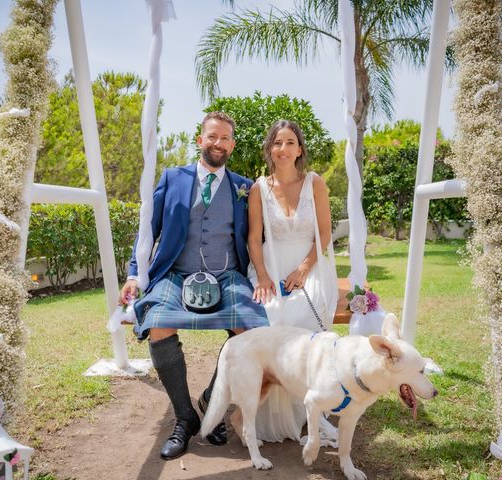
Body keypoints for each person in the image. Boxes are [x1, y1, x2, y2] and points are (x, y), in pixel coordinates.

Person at [119, 112, 268, 460]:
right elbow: (147, 231)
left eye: (225, 138)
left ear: (232, 144)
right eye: (212, 136)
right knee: (157, 325)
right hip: (176, 272)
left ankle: (212, 404)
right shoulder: (172, 178)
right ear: (200, 140)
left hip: (227, 273)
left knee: (248, 331)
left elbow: (258, 235)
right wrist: (133, 273)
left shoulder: (244, 187)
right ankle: (185, 417)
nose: (218, 143)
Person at [246, 119, 338, 443]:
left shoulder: (315, 183)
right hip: (270, 266)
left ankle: (310, 411)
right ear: (270, 150)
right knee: (270, 319)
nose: (282, 148)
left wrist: (303, 269)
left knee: (301, 319)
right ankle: (265, 415)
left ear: (299, 149)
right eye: (276, 143)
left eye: (289, 142)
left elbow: (324, 234)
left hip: (309, 264)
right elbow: (254, 239)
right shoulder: (259, 188)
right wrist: (262, 275)